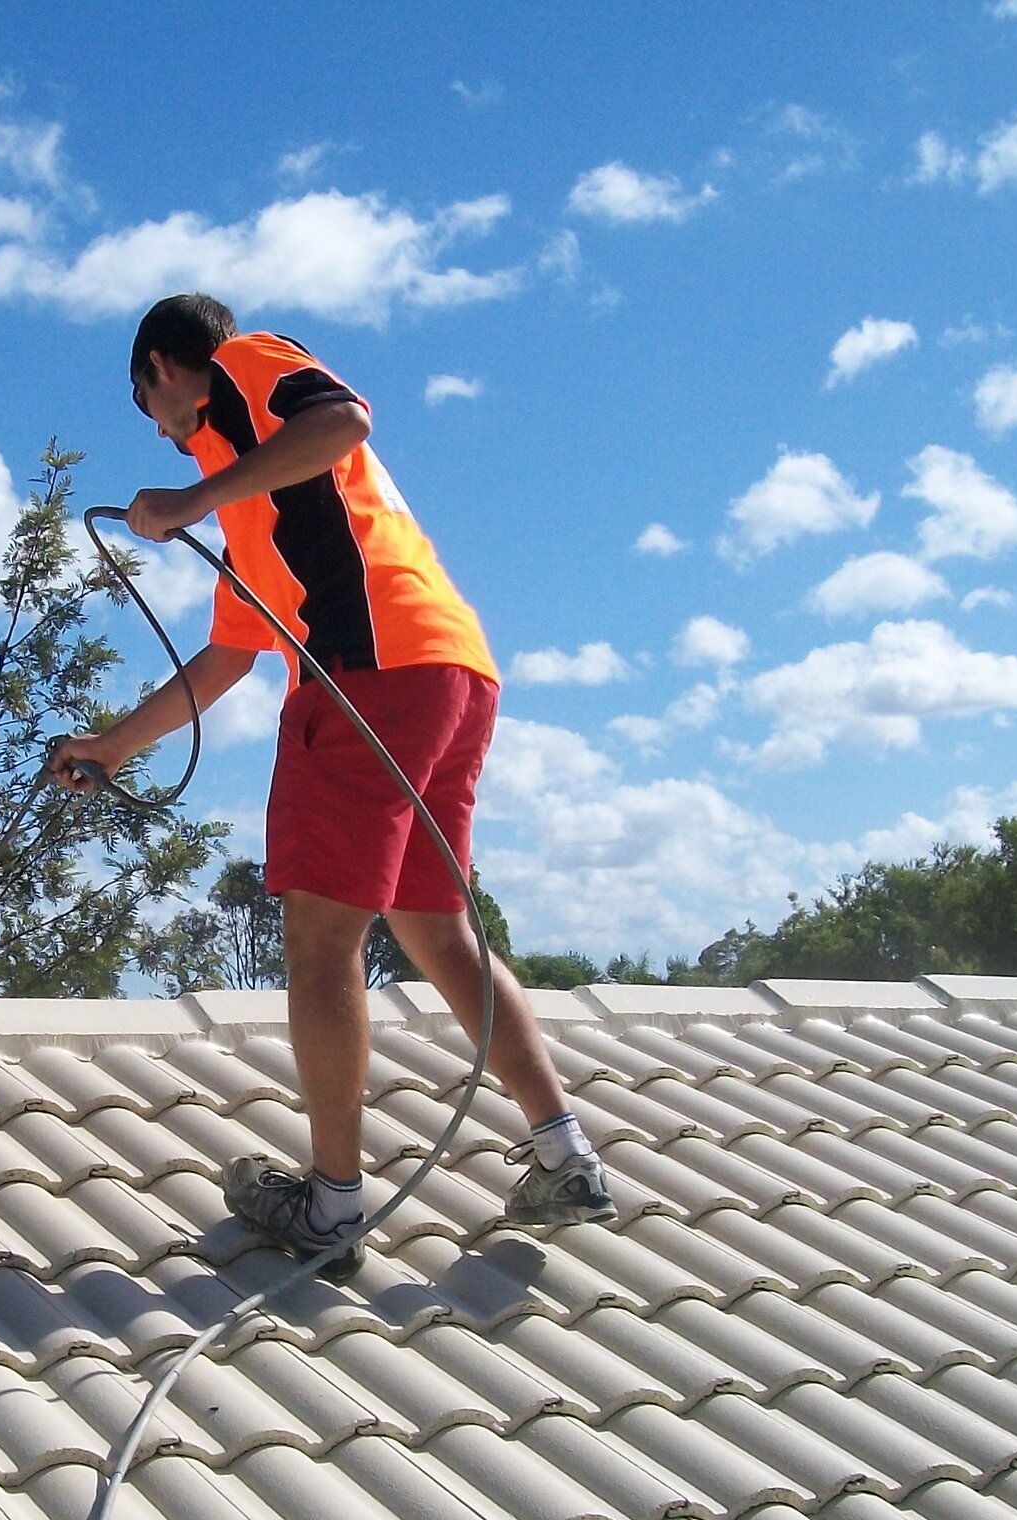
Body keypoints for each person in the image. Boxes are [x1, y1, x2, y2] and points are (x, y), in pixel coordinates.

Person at [51, 293, 613, 1278]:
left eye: (148, 402)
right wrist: (112, 745)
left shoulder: (243, 364)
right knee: (436, 930)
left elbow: (342, 416)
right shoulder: (254, 505)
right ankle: (565, 1156)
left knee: (320, 938)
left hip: (364, 677)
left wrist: (183, 502)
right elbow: (224, 662)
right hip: (449, 674)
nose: (157, 427)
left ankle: (333, 1208)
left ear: (163, 369)